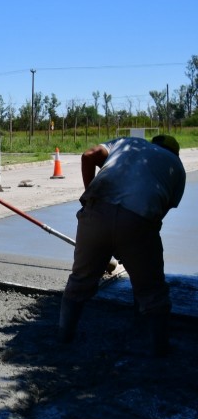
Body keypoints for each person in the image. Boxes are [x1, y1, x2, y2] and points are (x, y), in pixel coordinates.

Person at [59, 135, 186, 356]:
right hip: (139, 219)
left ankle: (63, 337)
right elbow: (158, 214)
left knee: (80, 280)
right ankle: (160, 348)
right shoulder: (176, 167)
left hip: (96, 209)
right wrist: (131, 247)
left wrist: (89, 196)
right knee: (152, 290)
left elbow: (88, 156)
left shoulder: (128, 142)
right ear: (174, 152)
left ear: (152, 143)